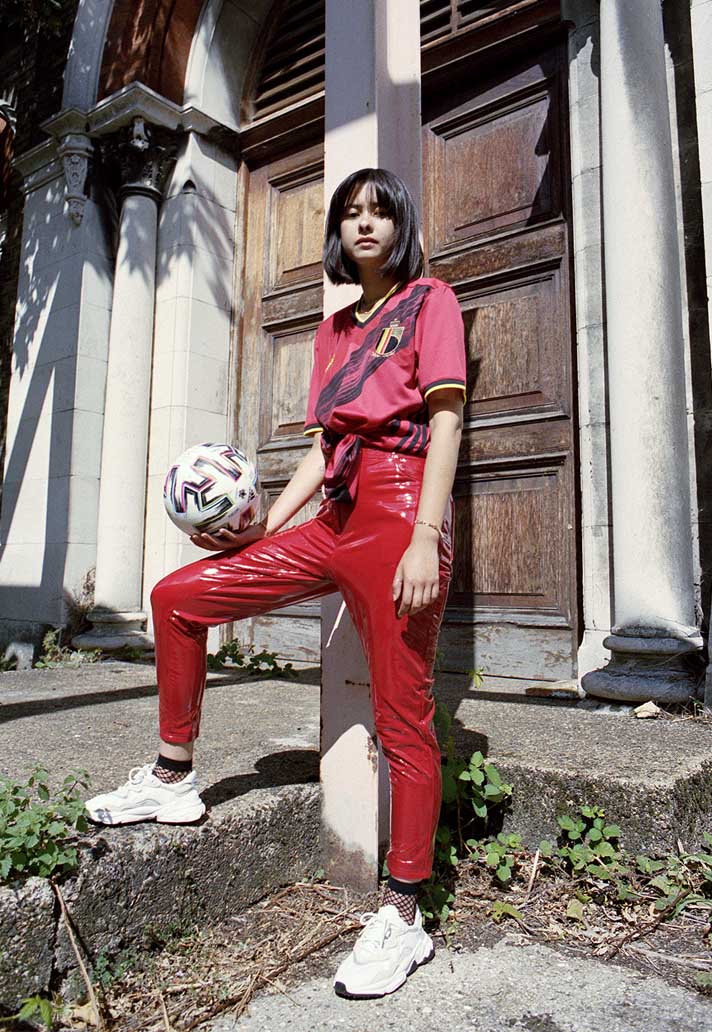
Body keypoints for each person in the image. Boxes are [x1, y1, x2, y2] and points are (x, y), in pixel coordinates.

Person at [85, 167, 466, 999]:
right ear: (338, 233)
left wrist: (424, 536)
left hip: (401, 514)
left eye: (380, 212)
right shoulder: (332, 332)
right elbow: (326, 449)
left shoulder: (429, 301)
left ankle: (404, 912)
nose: (365, 224)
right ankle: (174, 777)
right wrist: (269, 529)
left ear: (400, 225)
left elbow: (446, 421)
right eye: (351, 213)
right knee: (178, 598)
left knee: (403, 719)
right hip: (334, 519)